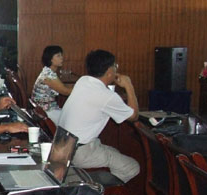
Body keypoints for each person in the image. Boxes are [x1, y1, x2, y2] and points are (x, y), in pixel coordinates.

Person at [58, 49, 139, 183]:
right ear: (109, 71)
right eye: (115, 66)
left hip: (63, 145)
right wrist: (128, 85)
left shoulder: (83, 81)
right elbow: (134, 116)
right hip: (80, 152)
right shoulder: (107, 96)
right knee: (132, 167)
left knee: (114, 151)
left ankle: (100, 185)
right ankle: (97, 190)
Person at [31, 45, 73, 124]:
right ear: (50, 59)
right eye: (58, 56)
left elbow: (62, 87)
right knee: (74, 119)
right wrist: (81, 88)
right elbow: (65, 92)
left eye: (61, 55)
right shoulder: (49, 75)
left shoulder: (47, 71)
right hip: (46, 112)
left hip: (43, 109)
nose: (62, 58)